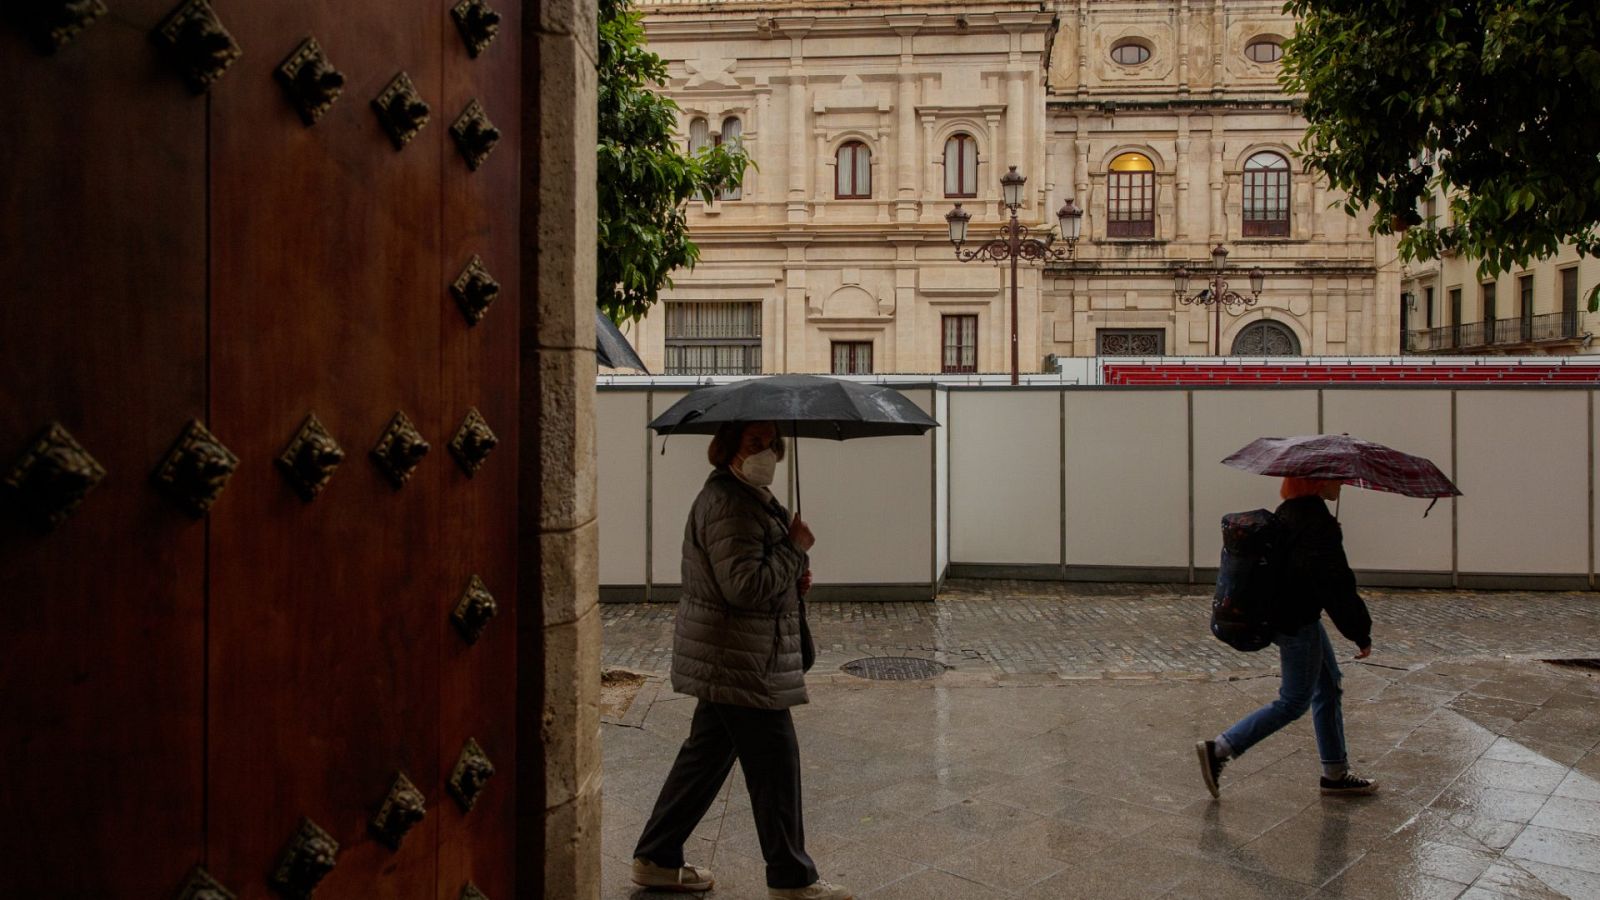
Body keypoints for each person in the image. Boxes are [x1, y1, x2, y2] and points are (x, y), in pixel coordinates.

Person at [632, 421, 851, 900]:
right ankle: (792, 879)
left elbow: (753, 574)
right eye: (755, 443)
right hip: (739, 657)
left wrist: (792, 575)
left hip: (731, 654)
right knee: (776, 762)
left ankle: (656, 855)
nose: (767, 452)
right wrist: (795, 550)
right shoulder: (730, 503)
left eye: (772, 443)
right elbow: (744, 587)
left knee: (706, 757)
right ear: (729, 448)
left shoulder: (747, 497)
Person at [1197, 476, 1379, 799]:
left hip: (1287, 614)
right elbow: (1337, 587)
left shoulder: (1290, 512)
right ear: (1316, 482)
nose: (1341, 484)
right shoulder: (1316, 524)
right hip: (1298, 621)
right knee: (1293, 701)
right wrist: (1359, 632)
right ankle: (1221, 749)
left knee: (1328, 683)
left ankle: (1335, 772)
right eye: (1335, 478)